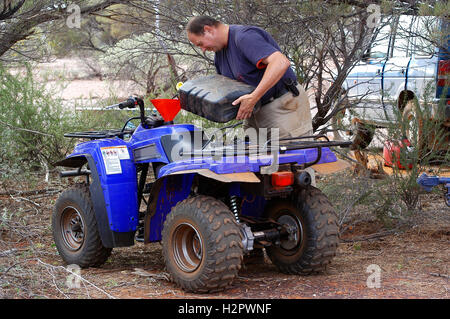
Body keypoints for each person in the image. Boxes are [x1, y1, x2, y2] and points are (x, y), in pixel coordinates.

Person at [186, 15, 313, 142]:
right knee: (255, 159)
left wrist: (254, 97)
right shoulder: (219, 54)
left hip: (282, 106)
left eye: (201, 44)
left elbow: (280, 62)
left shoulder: (244, 37)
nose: (202, 50)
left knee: (292, 159)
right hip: (254, 113)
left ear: (208, 30)